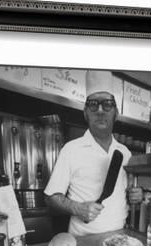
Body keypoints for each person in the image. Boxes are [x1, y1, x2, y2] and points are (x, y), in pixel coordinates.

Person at [44, 70, 142, 236]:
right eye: (93, 104)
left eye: (107, 104)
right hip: (83, 241)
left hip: (120, 238)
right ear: (85, 113)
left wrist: (136, 196)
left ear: (116, 113)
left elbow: (127, 195)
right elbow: (50, 197)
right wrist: (78, 208)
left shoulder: (124, 152)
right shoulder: (71, 149)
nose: (100, 111)